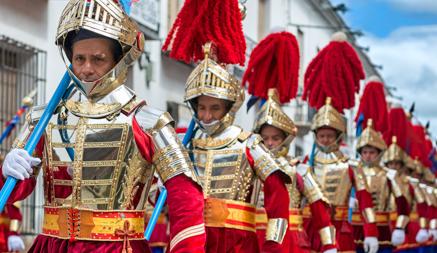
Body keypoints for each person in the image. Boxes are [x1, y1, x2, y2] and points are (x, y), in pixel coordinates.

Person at [0, 0, 205, 252]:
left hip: (118, 246)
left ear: (117, 61)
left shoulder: (148, 121)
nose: (86, 68)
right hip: (52, 246)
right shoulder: (45, 118)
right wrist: (7, 170)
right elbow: (12, 192)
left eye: (98, 59)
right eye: (79, 58)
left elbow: (186, 198)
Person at [182, 43, 291, 252]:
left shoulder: (248, 143)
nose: (206, 116)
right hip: (193, 239)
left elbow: (278, 193)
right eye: (202, 108)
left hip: (237, 243)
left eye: (215, 108)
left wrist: (273, 244)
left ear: (228, 107)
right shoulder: (186, 145)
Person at [254, 89, 336, 253]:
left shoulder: (298, 168)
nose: (269, 143)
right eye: (265, 138)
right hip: (254, 238)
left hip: (290, 240)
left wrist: (329, 245)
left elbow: (319, 211)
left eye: (275, 138)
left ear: (285, 139)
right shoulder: (250, 164)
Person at [303, 98, 379, 253]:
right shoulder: (306, 163)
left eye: (329, 135)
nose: (325, 140)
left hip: (339, 228)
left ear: (338, 136)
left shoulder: (351, 166)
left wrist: (371, 232)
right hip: (310, 227)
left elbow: (365, 203)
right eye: (322, 135)